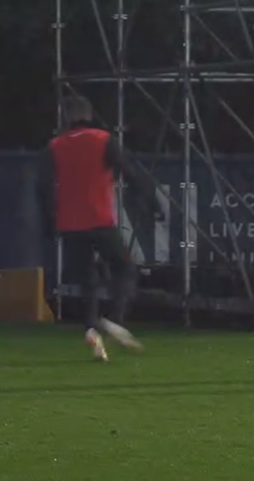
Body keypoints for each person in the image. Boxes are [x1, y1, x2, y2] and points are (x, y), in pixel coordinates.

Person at [37, 96, 160, 361]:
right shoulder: (104, 140)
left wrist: (50, 221)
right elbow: (130, 172)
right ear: (89, 115)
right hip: (100, 219)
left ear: (66, 118)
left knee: (87, 281)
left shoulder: (54, 147)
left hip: (70, 224)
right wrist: (151, 201)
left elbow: (43, 188)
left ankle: (92, 331)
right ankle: (115, 320)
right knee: (125, 267)